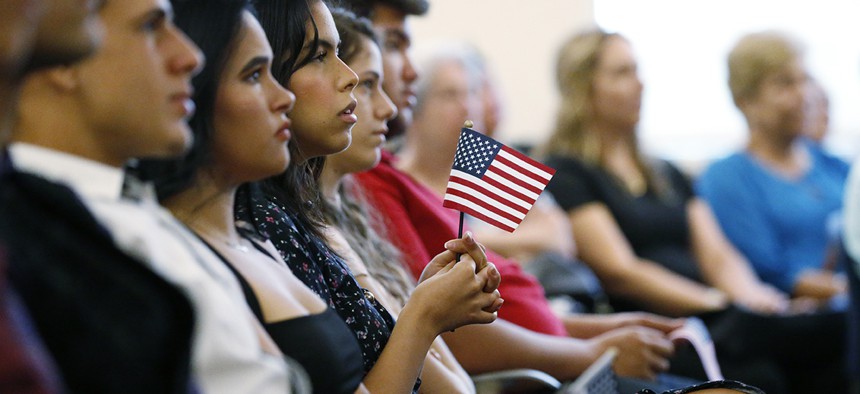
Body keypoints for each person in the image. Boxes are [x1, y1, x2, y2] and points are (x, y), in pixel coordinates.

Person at [6, 0, 298, 392]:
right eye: (150, 26)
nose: (192, 57)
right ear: (66, 57)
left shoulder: (123, 200)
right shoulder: (38, 228)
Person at [541, 28, 846, 393]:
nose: (640, 84)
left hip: (719, 315)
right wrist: (714, 302)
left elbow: (717, 254)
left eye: (638, 71)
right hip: (661, 325)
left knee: (823, 355)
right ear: (583, 88)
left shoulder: (663, 172)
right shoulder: (570, 171)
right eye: (622, 73)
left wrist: (753, 298)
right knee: (791, 359)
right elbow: (621, 270)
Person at [236, 0, 502, 392]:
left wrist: (422, 307)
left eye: (340, 55)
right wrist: (424, 314)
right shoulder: (264, 221)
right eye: (319, 56)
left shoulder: (297, 215)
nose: (349, 82)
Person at [318, 9, 480, 392]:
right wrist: (424, 311)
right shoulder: (305, 231)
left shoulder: (353, 211)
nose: (389, 108)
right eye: (368, 85)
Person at [697, 31, 849, 303]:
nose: (803, 95)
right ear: (746, 100)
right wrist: (845, 289)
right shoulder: (727, 178)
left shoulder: (835, 166)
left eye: (805, 80)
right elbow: (771, 273)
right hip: (795, 321)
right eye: (785, 84)